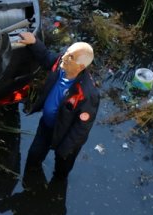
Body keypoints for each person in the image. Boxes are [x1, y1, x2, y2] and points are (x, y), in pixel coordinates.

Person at [15, 31, 99, 177]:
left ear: (80, 67)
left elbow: (81, 129)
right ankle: (29, 180)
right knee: (34, 155)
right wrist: (34, 42)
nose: (64, 57)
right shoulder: (61, 63)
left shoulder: (88, 94)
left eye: (70, 57)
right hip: (46, 127)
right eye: (67, 52)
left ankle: (58, 184)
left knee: (62, 169)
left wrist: (64, 150)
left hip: (65, 137)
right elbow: (46, 57)